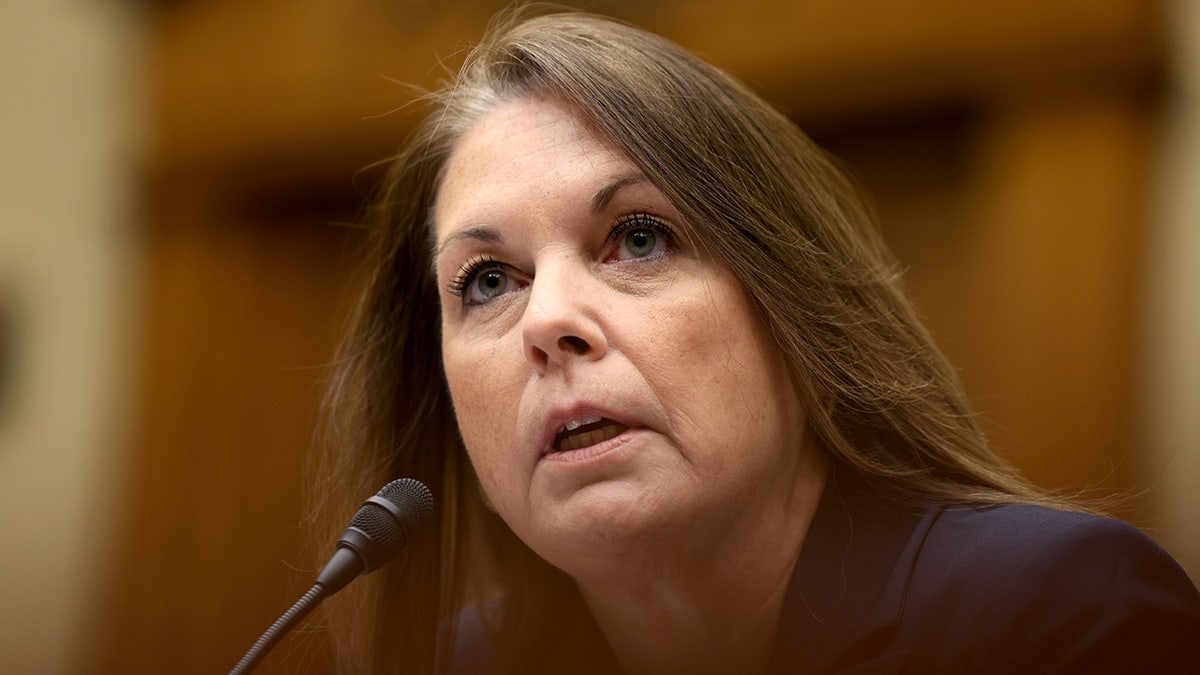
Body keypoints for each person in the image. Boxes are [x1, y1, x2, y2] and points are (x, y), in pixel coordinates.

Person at [310, 9, 1200, 674]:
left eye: (639, 237)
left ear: (792, 310)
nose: (548, 321)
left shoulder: (1057, 614)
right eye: (490, 282)